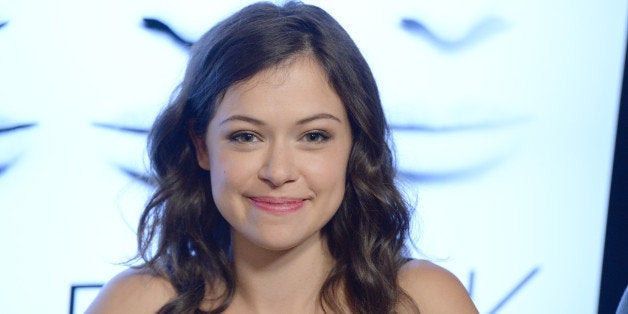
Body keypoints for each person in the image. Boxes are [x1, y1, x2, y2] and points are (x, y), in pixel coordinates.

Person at [86, 1, 478, 313]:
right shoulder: (134, 305)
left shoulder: (425, 302)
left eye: (313, 136)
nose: (278, 171)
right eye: (246, 136)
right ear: (202, 145)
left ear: (354, 146)